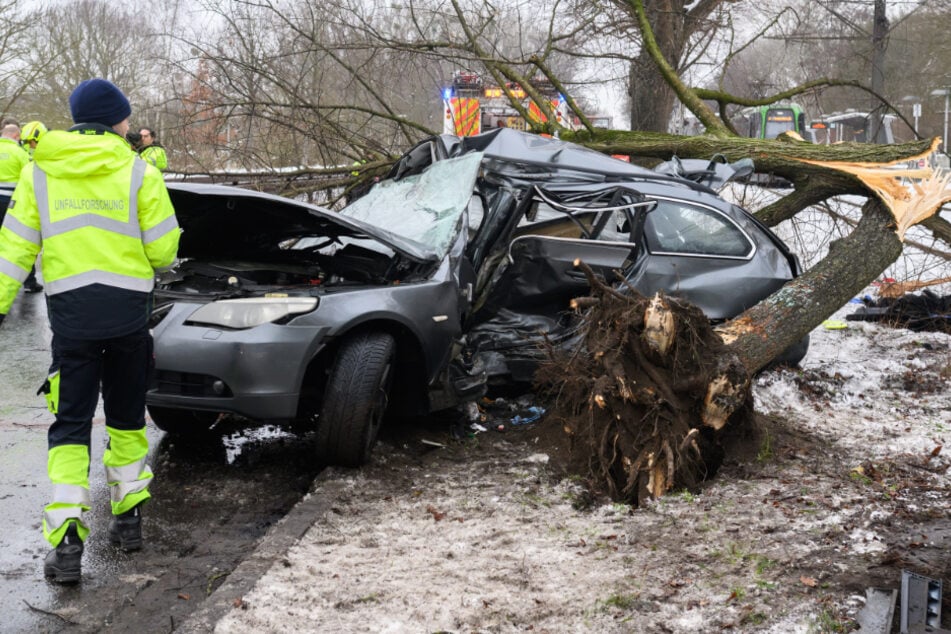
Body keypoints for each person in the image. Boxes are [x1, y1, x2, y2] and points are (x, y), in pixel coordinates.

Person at [0, 78, 180, 584]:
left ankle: (66, 547)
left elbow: (12, 252)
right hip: (127, 319)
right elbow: (164, 251)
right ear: (118, 121)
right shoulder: (140, 171)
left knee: (70, 427)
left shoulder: (40, 173)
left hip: (72, 323)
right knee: (126, 419)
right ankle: (128, 522)